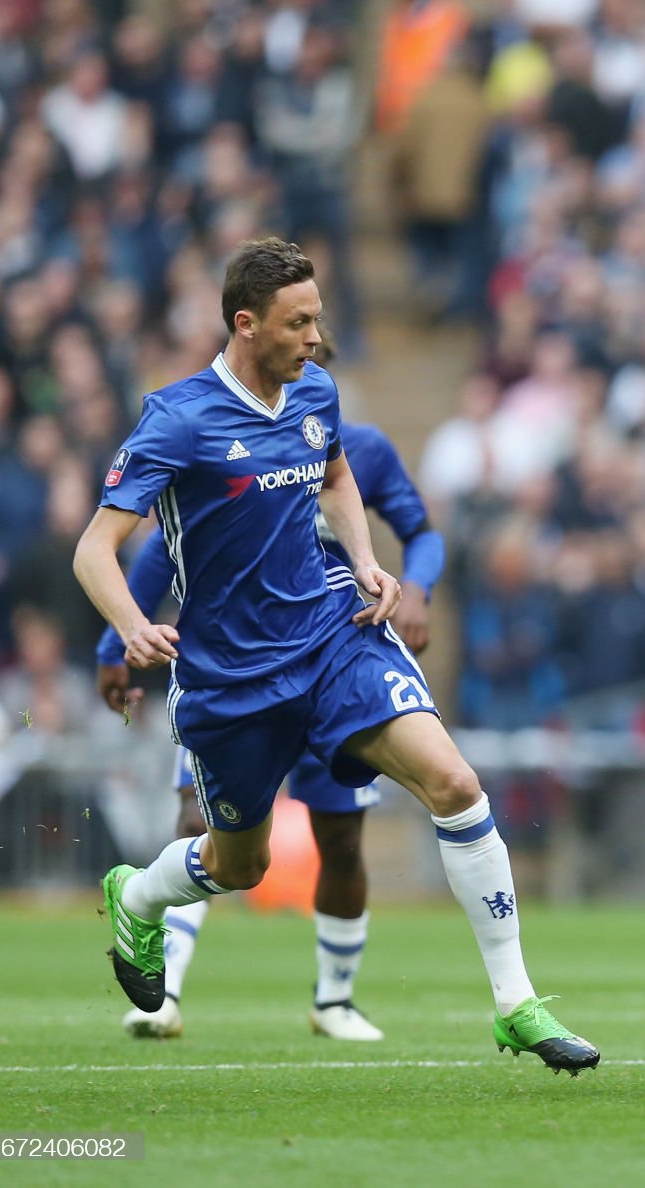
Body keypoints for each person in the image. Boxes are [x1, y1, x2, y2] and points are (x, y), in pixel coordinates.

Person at [74, 238, 596, 1074]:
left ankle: (516, 1004)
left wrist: (363, 561)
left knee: (456, 785)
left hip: (331, 640)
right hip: (231, 678)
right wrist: (132, 627)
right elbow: (97, 550)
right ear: (246, 325)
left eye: (317, 318)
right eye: (298, 322)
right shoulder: (177, 417)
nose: (316, 338)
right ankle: (135, 896)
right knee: (240, 864)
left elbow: (337, 476)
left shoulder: (315, 390)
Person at [95, 417, 445, 1042]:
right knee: (200, 826)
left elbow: (422, 535)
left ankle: (334, 1000)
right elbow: (159, 551)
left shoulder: (361, 448)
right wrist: (111, 645)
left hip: (336, 667)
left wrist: (416, 588)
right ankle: (165, 991)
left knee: (339, 839)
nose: (303, 359)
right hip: (236, 669)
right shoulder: (224, 439)